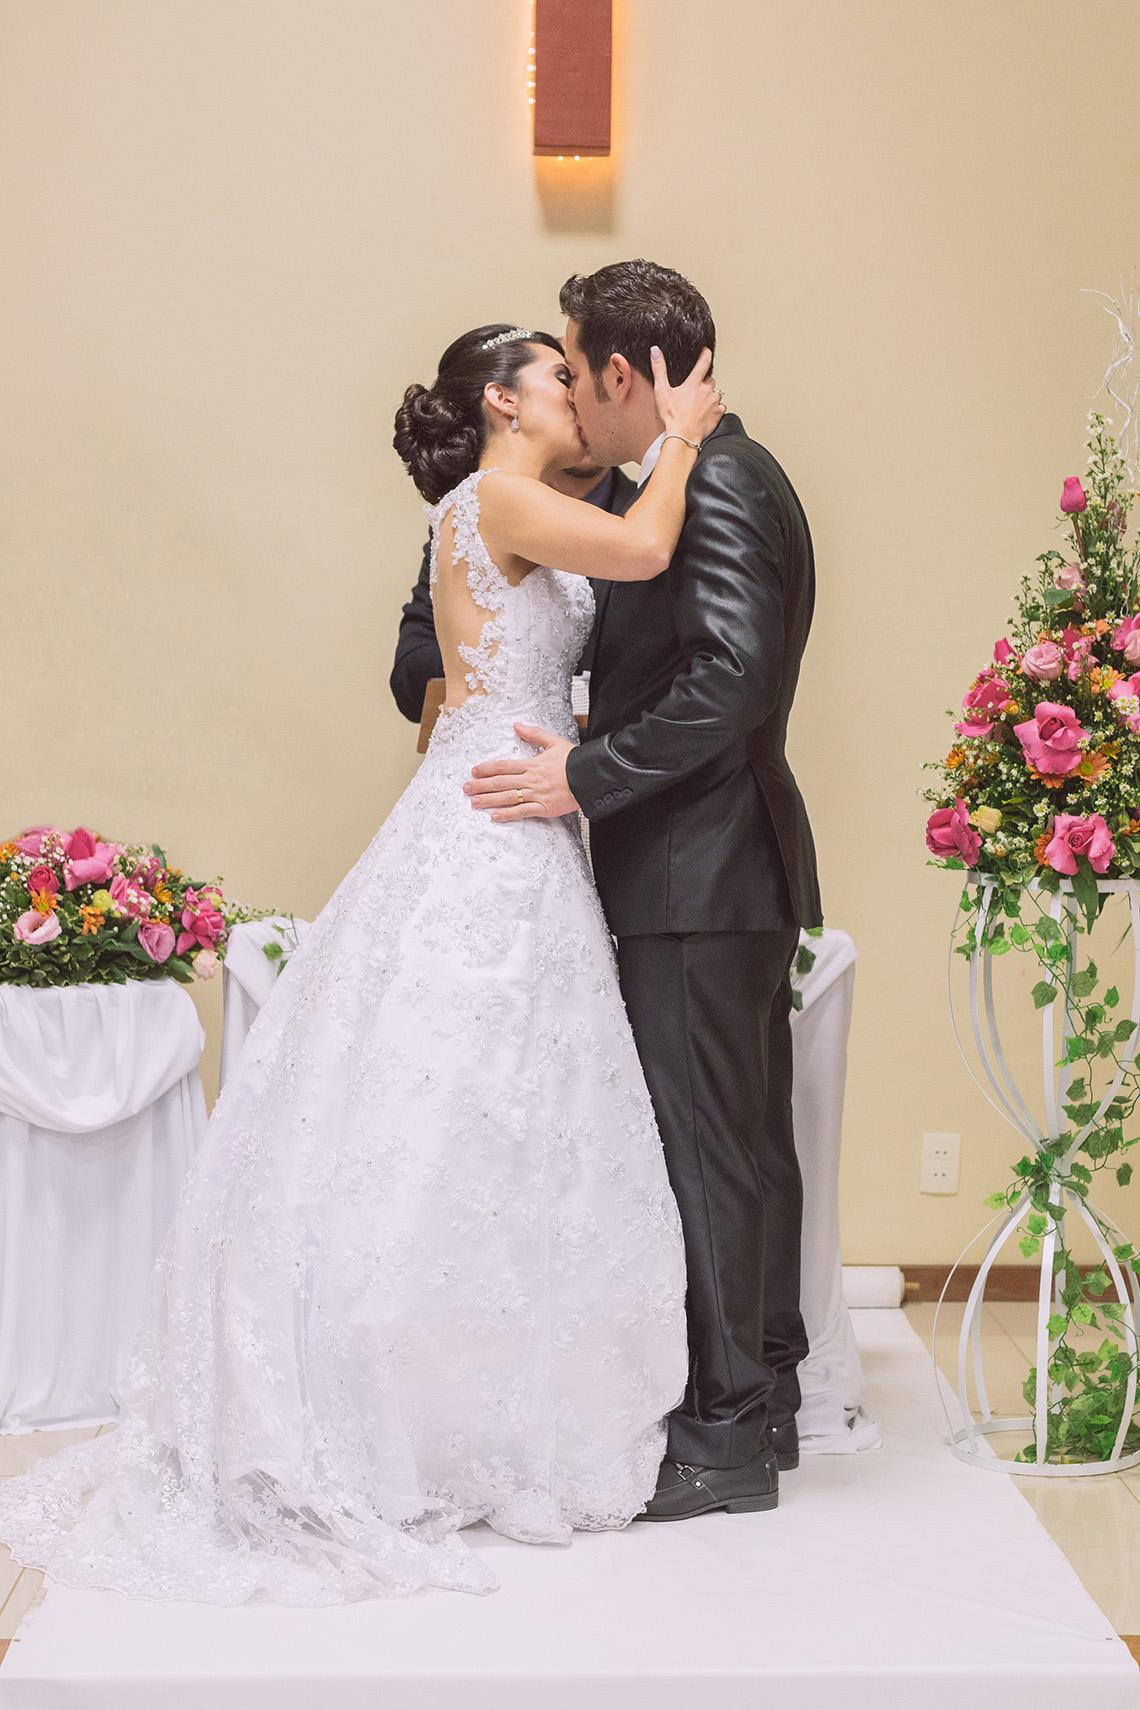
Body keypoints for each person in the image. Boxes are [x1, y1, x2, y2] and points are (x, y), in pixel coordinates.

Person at [0, 324, 725, 1605]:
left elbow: (498, 662)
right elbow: (649, 548)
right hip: (494, 833)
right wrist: (682, 439)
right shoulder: (498, 494)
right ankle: (409, 1413)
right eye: (558, 375)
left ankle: (479, 1405)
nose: (575, 389)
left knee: (490, 1109)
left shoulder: (502, 504)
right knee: (460, 1098)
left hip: (508, 813)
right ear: (504, 403)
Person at [465, 262, 822, 1521]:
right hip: (712, 868)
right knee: (743, 1144)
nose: (566, 384)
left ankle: (724, 1436)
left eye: (575, 366)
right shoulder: (701, 471)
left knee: (714, 1151)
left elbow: (728, 682)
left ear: (624, 375)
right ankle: (763, 1393)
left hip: (697, 868)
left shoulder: (717, 480)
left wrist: (586, 774)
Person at [390, 454, 634, 723]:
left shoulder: (648, 523)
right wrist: (509, 662)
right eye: (572, 408)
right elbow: (409, 681)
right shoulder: (473, 518)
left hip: (613, 751)